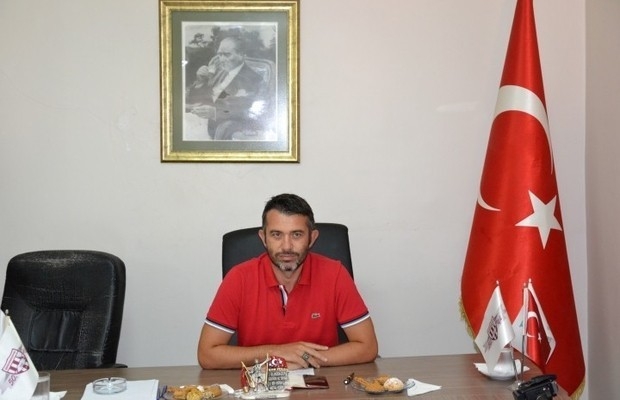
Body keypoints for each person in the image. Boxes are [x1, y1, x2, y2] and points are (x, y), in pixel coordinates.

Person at [197, 194, 379, 370]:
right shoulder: (239, 278)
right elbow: (207, 355)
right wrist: (275, 353)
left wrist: (303, 358)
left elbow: (368, 347)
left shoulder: (335, 274)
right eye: (276, 235)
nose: (286, 246)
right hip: (259, 384)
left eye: (296, 235)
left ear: (312, 238)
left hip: (323, 383)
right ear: (263, 238)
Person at [186, 36, 266, 140]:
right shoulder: (219, 71)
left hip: (218, 128)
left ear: (241, 55)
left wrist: (215, 113)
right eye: (220, 54)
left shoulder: (254, 79)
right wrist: (201, 81)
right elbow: (193, 99)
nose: (222, 59)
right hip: (198, 119)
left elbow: (248, 110)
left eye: (227, 55)